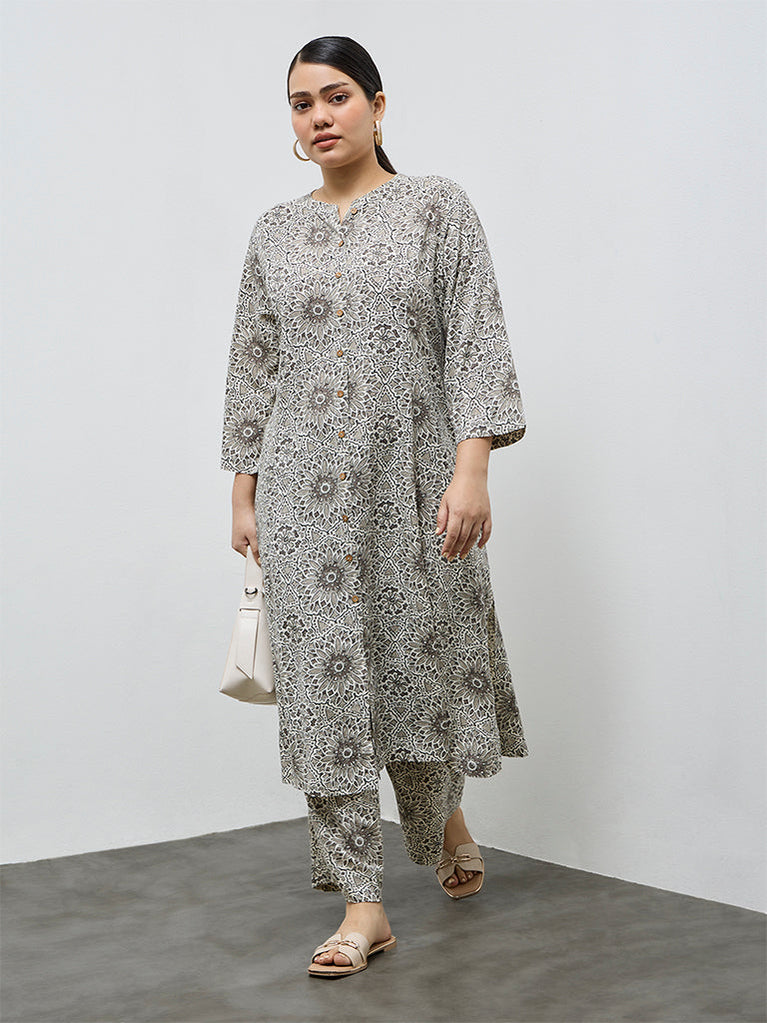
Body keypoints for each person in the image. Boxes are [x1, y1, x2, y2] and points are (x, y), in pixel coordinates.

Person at [220, 35, 530, 978]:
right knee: (324, 694)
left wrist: (472, 468)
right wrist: (243, 486)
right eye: (300, 102)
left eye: (336, 95)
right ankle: (365, 905)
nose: (318, 116)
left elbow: (475, 336)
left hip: (414, 481)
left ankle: (442, 819)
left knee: (412, 673)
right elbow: (253, 362)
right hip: (302, 494)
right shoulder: (274, 231)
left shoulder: (437, 207)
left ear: (378, 105)